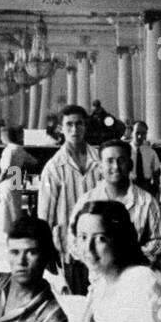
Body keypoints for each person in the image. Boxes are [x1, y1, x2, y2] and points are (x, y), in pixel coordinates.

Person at [39, 104, 104, 295]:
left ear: (86, 126)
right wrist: (47, 250)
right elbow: (45, 215)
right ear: (61, 128)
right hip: (70, 248)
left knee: (103, 300)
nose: (75, 129)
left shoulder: (100, 160)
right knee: (78, 303)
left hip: (101, 245)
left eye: (79, 124)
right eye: (69, 125)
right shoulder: (53, 168)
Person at [78, 139, 161, 267]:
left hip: (135, 274)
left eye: (121, 161)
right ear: (99, 167)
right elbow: (73, 239)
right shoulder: (86, 200)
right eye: (109, 161)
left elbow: (159, 240)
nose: (116, 166)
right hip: (95, 275)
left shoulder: (147, 201)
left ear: (130, 165)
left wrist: (134, 259)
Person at [130, 120, 161, 199]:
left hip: (147, 188)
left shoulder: (151, 153)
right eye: (137, 133)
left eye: (143, 133)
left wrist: (154, 191)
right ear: (131, 133)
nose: (140, 136)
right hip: (130, 188)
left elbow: (156, 173)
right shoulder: (125, 151)